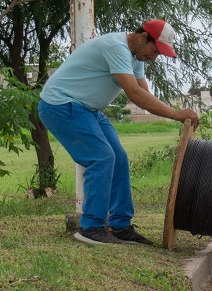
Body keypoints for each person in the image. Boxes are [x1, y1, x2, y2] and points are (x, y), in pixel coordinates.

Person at [38, 20, 198, 245]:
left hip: (88, 109)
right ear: (142, 37)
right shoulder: (117, 47)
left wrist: (175, 114)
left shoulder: (135, 56)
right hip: (62, 105)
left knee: (118, 158)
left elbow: (145, 94)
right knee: (101, 158)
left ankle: (120, 225)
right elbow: (134, 94)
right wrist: (176, 113)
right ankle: (91, 227)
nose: (155, 57)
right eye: (155, 50)